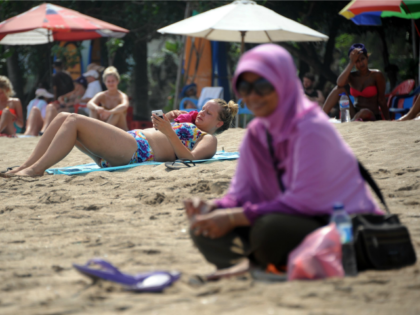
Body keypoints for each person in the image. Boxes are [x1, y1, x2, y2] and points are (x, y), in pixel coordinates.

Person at [184, 44, 383, 279]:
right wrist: (214, 207)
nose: (252, 95)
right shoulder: (256, 133)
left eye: (262, 85)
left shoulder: (311, 128)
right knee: (203, 228)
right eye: (244, 86)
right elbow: (240, 193)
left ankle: (260, 268)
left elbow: (303, 201)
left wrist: (232, 217)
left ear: (284, 84)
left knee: (268, 228)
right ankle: (261, 268)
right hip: (293, 220)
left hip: (344, 226)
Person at [3, 98, 238, 177]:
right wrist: (167, 121)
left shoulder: (209, 140)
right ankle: (26, 166)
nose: (201, 113)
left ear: (218, 123)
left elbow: (191, 159)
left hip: (136, 151)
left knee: (74, 120)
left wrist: (168, 132)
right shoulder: (185, 122)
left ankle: (36, 170)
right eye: (202, 108)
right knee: (64, 115)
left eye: (208, 113)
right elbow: (162, 134)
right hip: (127, 143)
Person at [323, 43, 390, 121]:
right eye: (357, 61)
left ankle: (352, 122)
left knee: (365, 112)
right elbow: (339, 83)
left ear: (367, 57)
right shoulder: (351, 76)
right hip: (354, 113)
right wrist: (351, 62)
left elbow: (382, 99)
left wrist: (388, 120)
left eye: (362, 59)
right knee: (339, 89)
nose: (361, 63)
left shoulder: (376, 75)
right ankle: (319, 117)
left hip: (371, 115)